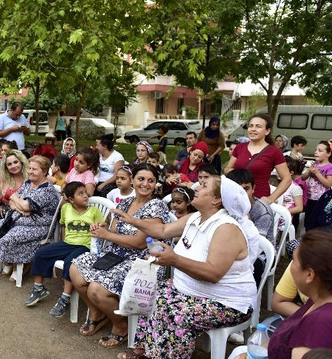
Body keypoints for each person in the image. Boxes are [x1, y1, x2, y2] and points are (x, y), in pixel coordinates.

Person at [118, 175, 258, 359]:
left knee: (176, 312)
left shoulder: (226, 228)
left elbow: (213, 273)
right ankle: (148, 350)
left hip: (227, 303)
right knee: (154, 293)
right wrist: (133, 220)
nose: (196, 187)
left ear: (217, 199)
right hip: (194, 292)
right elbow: (162, 231)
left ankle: (165, 355)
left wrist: (174, 260)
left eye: (203, 185)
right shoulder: (196, 217)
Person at [69, 163, 170, 348]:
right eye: (141, 179)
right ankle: (97, 313)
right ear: (133, 180)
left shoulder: (157, 206)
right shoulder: (125, 202)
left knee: (96, 289)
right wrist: (101, 228)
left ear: (156, 183)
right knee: (75, 268)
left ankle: (120, 326)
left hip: (142, 262)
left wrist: (107, 235)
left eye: (151, 180)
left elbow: (140, 242)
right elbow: (114, 230)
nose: (145, 184)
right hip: (117, 254)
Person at [229, 228, 332, 359]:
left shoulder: (320, 323)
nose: (290, 266)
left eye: (294, 260)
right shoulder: (318, 299)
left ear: (309, 275)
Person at [24, 182, 105, 317]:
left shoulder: (94, 211)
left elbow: (103, 227)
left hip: (85, 246)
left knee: (70, 262)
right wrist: (62, 242)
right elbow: (63, 226)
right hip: (67, 243)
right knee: (41, 253)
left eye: (86, 192)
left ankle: (65, 297)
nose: (86, 196)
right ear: (71, 199)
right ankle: (38, 288)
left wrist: (99, 225)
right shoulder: (66, 208)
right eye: (81, 194)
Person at [0, 155, 59, 280]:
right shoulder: (28, 183)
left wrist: (21, 204)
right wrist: (21, 208)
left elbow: (24, 204)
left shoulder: (46, 190)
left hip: (39, 226)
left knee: (8, 238)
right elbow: (12, 200)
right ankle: (8, 260)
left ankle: (23, 263)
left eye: (35, 169)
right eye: (30, 168)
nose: (30, 172)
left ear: (44, 172)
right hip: (18, 220)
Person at [224, 113, 291, 204]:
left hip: (258, 199)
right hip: (235, 195)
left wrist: (271, 198)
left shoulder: (274, 152)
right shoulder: (240, 147)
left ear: (267, 131)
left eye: (258, 126)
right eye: (251, 126)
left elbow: (287, 179)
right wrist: (240, 175)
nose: (253, 129)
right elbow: (227, 169)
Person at [301, 141, 332, 231]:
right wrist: (309, 171)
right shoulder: (314, 165)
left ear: (328, 154)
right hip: (310, 198)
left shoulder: (329, 167)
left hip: (322, 200)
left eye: (320, 150)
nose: (316, 152)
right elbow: (303, 178)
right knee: (308, 222)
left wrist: (317, 173)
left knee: (317, 222)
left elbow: (329, 184)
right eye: (315, 150)